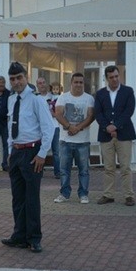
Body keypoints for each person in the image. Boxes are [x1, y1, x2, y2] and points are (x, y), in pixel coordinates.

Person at [0, 62, 56, 253]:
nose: (16, 82)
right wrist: (9, 152)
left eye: (19, 78)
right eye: (13, 79)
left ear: (26, 77)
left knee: (31, 198)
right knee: (17, 198)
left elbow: (49, 128)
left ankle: (34, 238)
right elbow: (10, 127)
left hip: (32, 153)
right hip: (16, 152)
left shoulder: (36, 100)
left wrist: (42, 155)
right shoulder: (11, 99)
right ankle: (19, 236)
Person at [93, 65, 136, 206]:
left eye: (117, 76)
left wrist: (115, 126)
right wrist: (107, 127)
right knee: (108, 167)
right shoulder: (100, 94)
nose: (114, 79)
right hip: (106, 135)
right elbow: (98, 113)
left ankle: (128, 196)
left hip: (124, 134)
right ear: (107, 78)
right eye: (111, 77)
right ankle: (108, 195)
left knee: (125, 167)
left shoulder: (128, 91)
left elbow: (128, 111)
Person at [53, 72, 95, 204]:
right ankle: (64, 194)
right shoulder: (63, 98)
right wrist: (69, 126)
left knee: (84, 170)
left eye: (81, 82)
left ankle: (83, 194)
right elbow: (58, 114)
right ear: (71, 83)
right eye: (76, 82)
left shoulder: (89, 99)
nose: (78, 84)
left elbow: (90, 116)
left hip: (83, 141)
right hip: (65, 141)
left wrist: (77, 128)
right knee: (64, 170)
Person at [36, 77, 61, 179]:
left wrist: (53, 113)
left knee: (56, 151)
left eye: (43, 82)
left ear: (46, 84)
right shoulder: (35, 98)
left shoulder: (55, 97)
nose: (42, 85)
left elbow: (59, 113)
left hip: (54, 127)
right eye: (39, 83)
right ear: (37, 86)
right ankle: (39, 172)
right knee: (40, 150)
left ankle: (58, 173)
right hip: (40, 129)